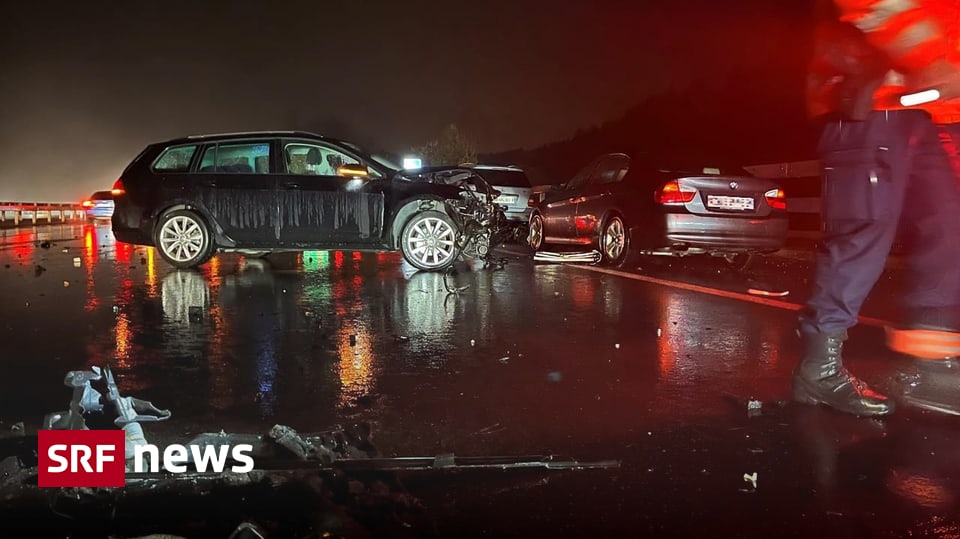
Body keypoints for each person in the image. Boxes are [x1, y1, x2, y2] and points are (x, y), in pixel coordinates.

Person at [795, 0, 960, 417]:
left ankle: (932, 362)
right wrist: (934, 61)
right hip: (871, 99)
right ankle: (819, 368)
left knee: (950, 223)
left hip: (930, 110)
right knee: (863, 229)